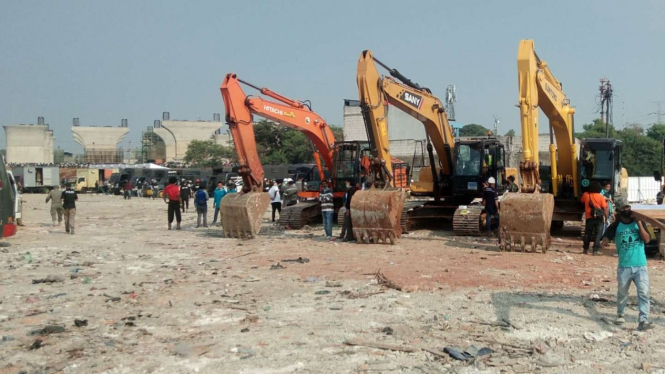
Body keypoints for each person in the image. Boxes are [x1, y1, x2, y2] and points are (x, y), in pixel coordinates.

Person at [602, 204, 655, 331]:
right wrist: (605, 240)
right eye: (624, 208)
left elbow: (647, 239)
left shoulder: (640, 223)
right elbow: (605, 237)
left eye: (628, 208)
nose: (627, 210)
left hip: (640, 265)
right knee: (622, 292)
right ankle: (620, 314)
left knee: (643, 293)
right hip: (624, 266)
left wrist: (640, 224)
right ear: (620, 211)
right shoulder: (616, 225)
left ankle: (643, 319)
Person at [580, 181, 609, 255]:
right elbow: (605, 208)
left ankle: (585, 249)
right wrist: (606, 218)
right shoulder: (600, 197)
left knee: (587, 234)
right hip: (599, 218)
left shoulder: (585, 195)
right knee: (598, 234)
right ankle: (595, 250)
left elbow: (582, 201)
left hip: (589, 217)